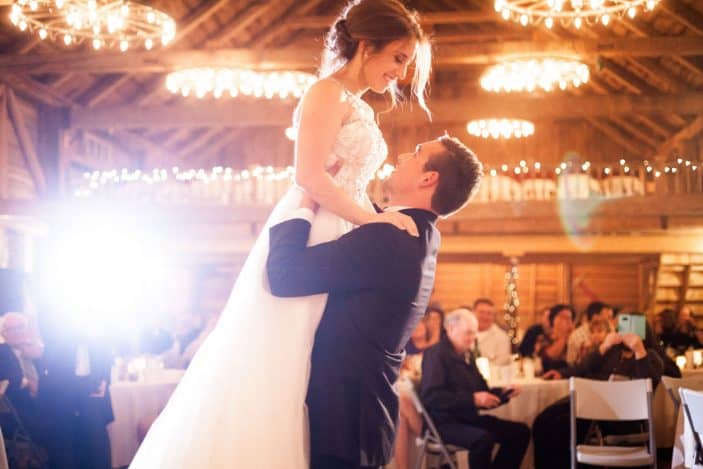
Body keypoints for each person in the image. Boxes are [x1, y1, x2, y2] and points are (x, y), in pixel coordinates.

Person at [130, 1, 433, 467]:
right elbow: (310, 176)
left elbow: (347, 180)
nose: (402, 72)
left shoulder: (361, 109)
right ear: (367, 46)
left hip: (345, 221)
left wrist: (374, 214)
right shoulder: (325, 93)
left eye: (406, 62)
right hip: (313, 226)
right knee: (284, 355)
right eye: (398, 57)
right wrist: (373, 220)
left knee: (316, 362)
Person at [266, 134, 482, 468]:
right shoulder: (422, 235)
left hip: (342, 418)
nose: (405, 154)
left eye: (417, 152)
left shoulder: (390, 237)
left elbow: (283, 275)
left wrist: (307, 200)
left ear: (429, 178)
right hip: (363, 415)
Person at [534, 317, 664, 469]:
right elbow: (583, 368)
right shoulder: (613, 352)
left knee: (561, 426)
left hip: (617, 415)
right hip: (590, 404)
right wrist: (604, 346)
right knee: (543, 420)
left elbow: (649, 385)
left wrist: (639, 351)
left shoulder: (651, 357)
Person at [420, 309, 530, 469]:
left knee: (520, 433)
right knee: (483, 440)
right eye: (468, 333)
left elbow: (482, 391)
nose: (472, 338)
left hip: (468, 418)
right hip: (443, 423)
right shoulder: (436, 354)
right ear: (450, 329)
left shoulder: (467, 355)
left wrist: (505, 393)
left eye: (474, 333)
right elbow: (432, 397)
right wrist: (472, 399)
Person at [566, 301, 613, 365]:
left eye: (609, 317)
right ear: (595, 317)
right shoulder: (578, 334)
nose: (608, 320)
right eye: (606, 316)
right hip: (580, 370)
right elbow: (579, 363)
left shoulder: (608, 328)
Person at [535, 304, 575, 372]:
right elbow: (548, 357)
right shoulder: (543, 338)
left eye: (570, 318)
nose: (568, 321)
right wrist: (563, 336)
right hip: (547, 379)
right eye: (563, 317)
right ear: (553, 320)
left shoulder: (573, 338)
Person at [474, 298, 511, 365]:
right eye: (481, 312)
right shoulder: (463, 334)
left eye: (489, 313)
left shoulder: (502, 337)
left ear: (493, 316)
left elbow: (502, 362)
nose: (485, 317)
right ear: (473, 312)